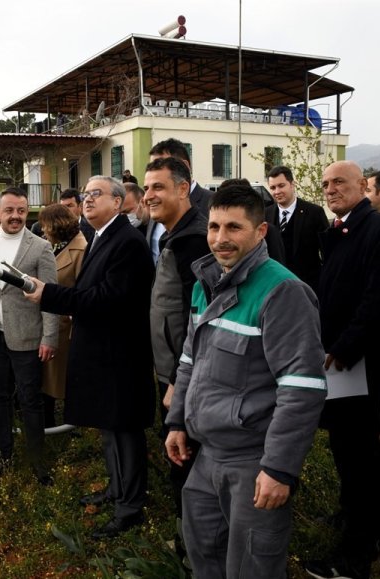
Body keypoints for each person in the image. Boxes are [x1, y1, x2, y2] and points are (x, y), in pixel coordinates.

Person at [165, 183, 326, 577]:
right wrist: (177, 421)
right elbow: (190, 357)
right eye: (215, 226)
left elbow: (302, 388)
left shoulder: (282, 291)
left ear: (260, 232)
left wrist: (279, 468)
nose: (221, 239)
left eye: (234, 228)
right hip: (207, 455)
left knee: (252, 567)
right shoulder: (208, 281)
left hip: (253, 461)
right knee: (204, 553)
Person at [24, 176, 155, 539]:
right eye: (85, 194)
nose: (87, 199)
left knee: (124, 430)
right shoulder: (103, 236)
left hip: (121, 354)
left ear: (118, 201)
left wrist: (51, 295)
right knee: (109, 427)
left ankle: (130, 507)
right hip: (103, 352)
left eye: (97, 194)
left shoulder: (127, 242)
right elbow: (91, 291)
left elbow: (108, 299)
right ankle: (117, 489)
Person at [305, 161, 380, 579]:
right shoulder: (343, 228)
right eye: (325, 184)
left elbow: (376, 299)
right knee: (345, 452)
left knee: (361, 460)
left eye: (339, 182)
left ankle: (356, 556)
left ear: (363, 185)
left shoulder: (376, 231)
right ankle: (350, 515)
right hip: (340, 363)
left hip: (358, 368)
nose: (330, 189)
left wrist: (344, 348)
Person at [143, 156, 210, 540]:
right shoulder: (173, 234)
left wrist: (177, 384)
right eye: (148, 187)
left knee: (186, 458)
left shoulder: (192, 241)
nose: (149, 195)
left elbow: (196, 319)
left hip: (185, 378)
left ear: (183, 189)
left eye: (159, 187)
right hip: (173, 371)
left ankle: (197, 546)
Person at [0, 187, 58, 485]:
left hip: (27, 336)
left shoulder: (40, 247)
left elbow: (50, 296)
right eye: (9, 210)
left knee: (30, 400)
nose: (15, 216)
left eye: (21, 211)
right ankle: (3, 456)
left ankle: (38, 464)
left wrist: (49, 337)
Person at [37, 203, 88, 428]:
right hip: (46, 322)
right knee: (45, 378)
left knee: (64, 378)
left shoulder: (81, 249)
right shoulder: (50, 246)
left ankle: (72, 422)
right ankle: (46, 419)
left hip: (66, 327)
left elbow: (81, 292)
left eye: (45, 225)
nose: (42, 230)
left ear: (56, 224)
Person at [145, 138, 214, 264]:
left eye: (160, 164)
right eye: (152, 165)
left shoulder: (214, 204)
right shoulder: (155, 204)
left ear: (185, 166)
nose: (154, 170)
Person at [264, 165, 329, 292]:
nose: (277, 191)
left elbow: (327, 251)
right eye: (273, 187)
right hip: (275, 287)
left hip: (308, 287)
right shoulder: (265, 214)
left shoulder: (314, 212)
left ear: (292, 184)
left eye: (281, 185)